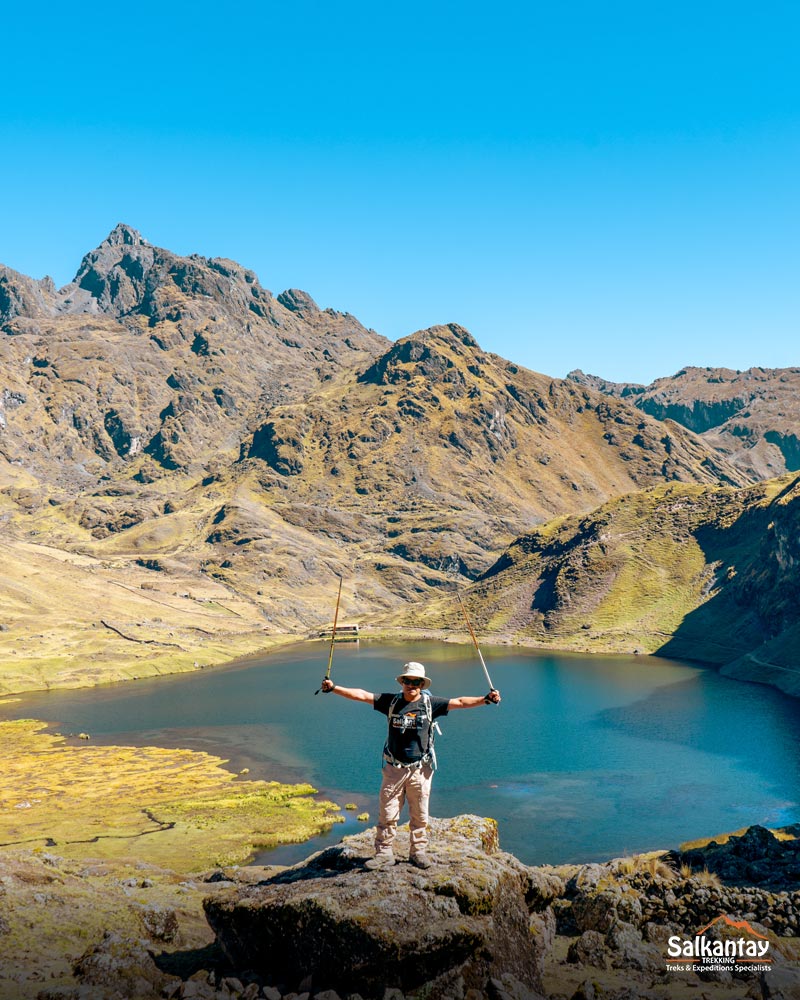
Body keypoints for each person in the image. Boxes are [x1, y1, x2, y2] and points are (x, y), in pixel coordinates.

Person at [321, 660, 501, 870]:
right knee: (387, 815)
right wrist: (334, 688)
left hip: (420, 770)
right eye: (408, 680)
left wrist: (486, 699)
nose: (412, 685)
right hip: (393, 770)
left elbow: (460, 702)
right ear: (402, 682)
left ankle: (418, 852)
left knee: (419, 815)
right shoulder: (390, 702)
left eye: (417, 681)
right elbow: (361, 695)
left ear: (422, 684)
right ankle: (384, 854)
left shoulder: (430, 704)